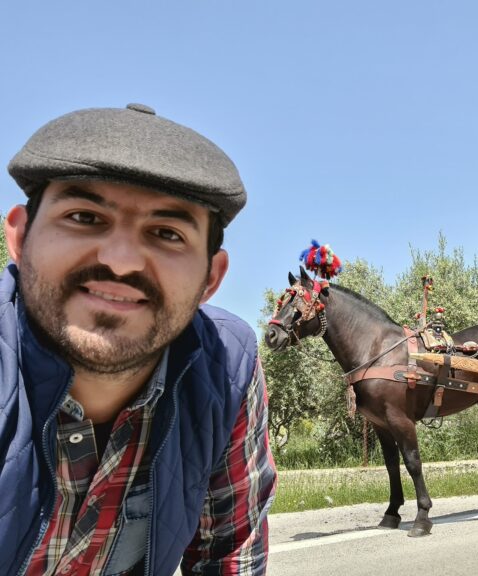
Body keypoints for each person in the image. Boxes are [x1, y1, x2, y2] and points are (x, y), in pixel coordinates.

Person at [0, 103, 277, 575]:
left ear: (211, 278)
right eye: (85, 217)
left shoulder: (227, 369)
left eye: (166, 233)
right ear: (21, 238)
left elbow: (229, 555)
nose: (123, 260)